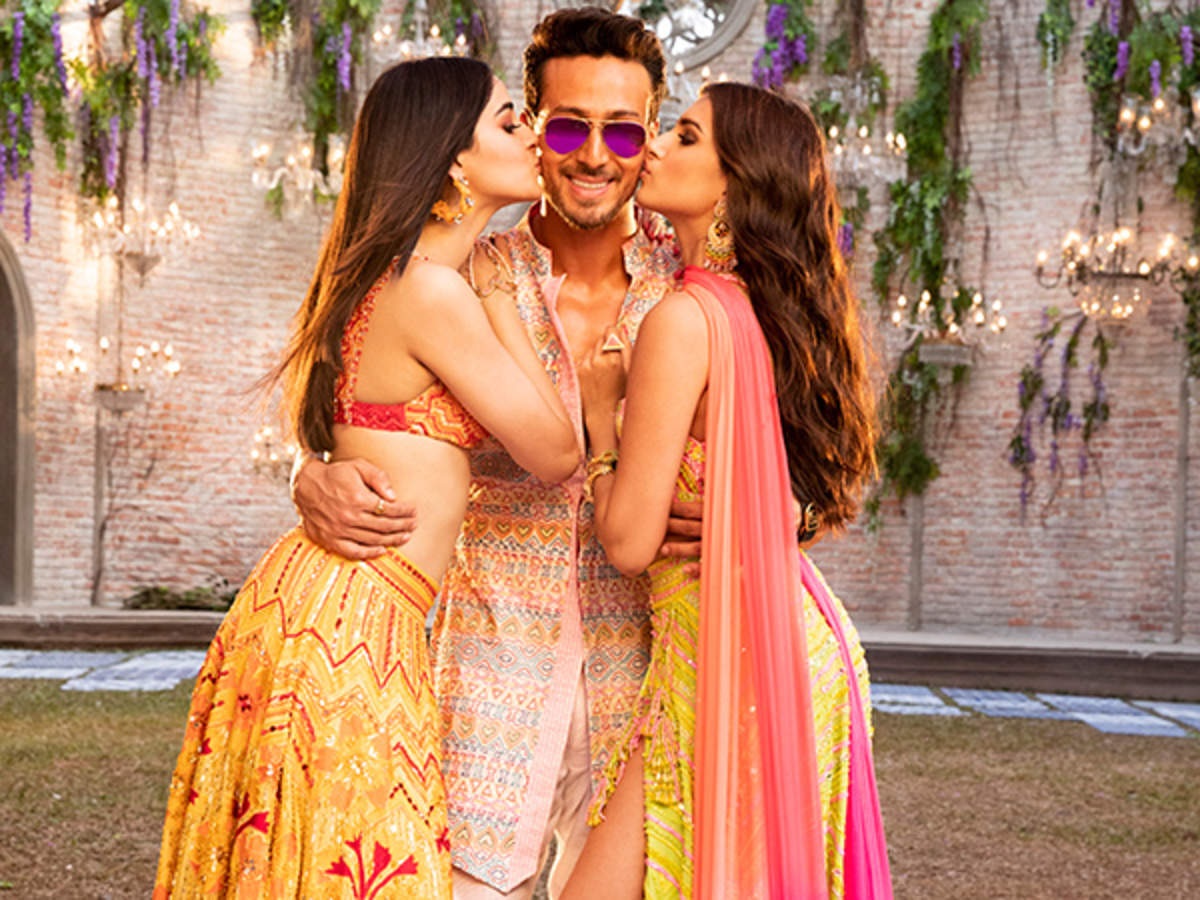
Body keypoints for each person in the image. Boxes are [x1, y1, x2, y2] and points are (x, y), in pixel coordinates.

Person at [153, 56, 579, 899]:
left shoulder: (388, 276)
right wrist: (499, 297)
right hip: (356, 624)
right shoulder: (432, 290)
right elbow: (555, 451)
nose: (533, 134)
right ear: (453, 160)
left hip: (320, 605)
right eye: (508, 120)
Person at [291, 10, 685, 898]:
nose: (595, 156)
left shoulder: (693, 287)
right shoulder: (462, 268)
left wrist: (792, 513)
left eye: (624, 131)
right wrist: (306, 471)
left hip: (645, 677)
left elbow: (798, 451)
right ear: (533, 128)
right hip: (482, 676)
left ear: (651, 136)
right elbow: (346, 392)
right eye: (568, 127)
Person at [562, 84, 893, 899]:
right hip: (791, 640)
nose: (654, 146)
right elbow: (800, 484)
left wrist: (600, 422)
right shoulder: (769, 314)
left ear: (735, 181)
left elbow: (630, 542)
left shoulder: (684, 320)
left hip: (728, 658)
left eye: (684, 136)